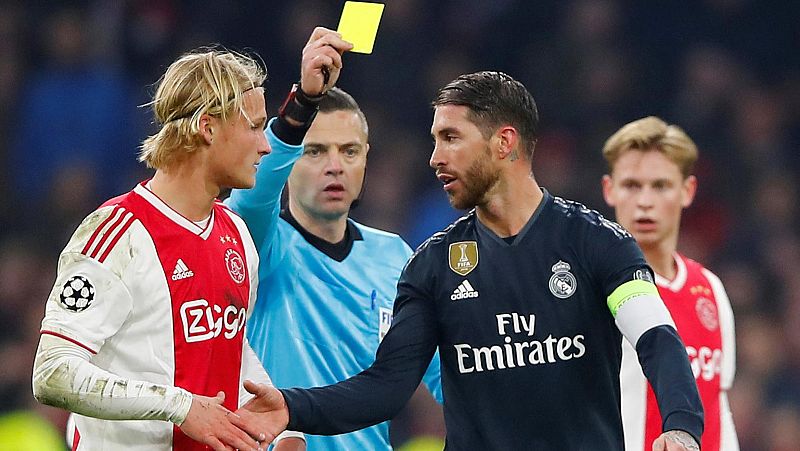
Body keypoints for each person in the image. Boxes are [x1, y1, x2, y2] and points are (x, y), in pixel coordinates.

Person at [232, 71, 705, 450]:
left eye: (451, 138)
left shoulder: (597, 243)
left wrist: (682, 427)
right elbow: (388, 386)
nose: (435, 157)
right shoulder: (431, 266)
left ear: (504, 143)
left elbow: (656, 337)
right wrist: (292, 407)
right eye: (435, 140)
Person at [31, 27, 352, 450]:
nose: (264, 146)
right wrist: (179, 406)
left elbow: (230, 348)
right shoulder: (118, 233)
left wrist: (282, 431)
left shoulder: (235, 233)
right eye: (255, 127)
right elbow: (52, 372)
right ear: (207, 127)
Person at [225, 83, 443, 451]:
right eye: (315, 151)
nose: (335, 166)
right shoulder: (259, 245)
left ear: (366, 157)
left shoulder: (395, 256)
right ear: (285, 158)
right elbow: (251, 199)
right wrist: (301, 105)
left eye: (349, 151)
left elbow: (445, 373)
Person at [600, 116, 739, 451]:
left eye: (660, 185)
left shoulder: (710, 288)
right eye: (632, 185)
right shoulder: (593, 290)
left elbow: (718, 406)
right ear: (609, 189)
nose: (645, 201)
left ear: (687, 190)